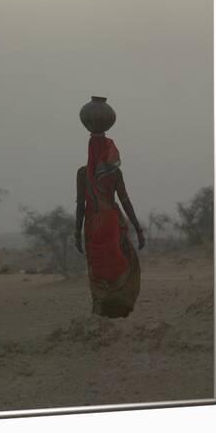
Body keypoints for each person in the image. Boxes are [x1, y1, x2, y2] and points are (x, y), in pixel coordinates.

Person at [75, 132, 145, 318]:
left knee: (97, 269)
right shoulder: (114, 173)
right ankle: (120, 309)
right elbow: (125, 201)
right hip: (114, 225)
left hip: (93, 226)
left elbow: (80, 205)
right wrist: (138, 229)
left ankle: (101, 310)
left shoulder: (82, 173)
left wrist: (76, 233)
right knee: (126, 263)